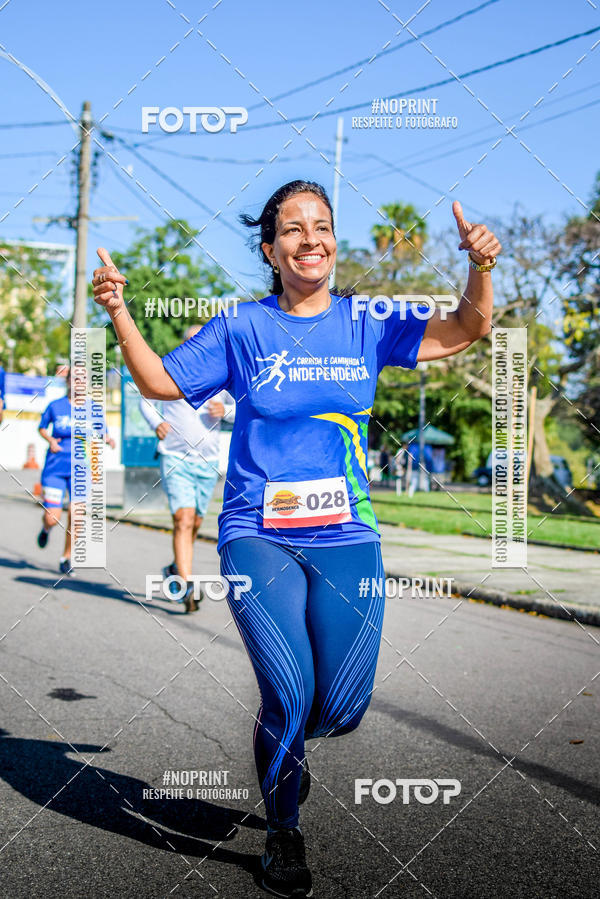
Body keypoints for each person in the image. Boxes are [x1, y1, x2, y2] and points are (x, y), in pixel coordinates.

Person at [91, 180, 500, 898]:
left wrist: (480, 267)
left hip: (348, 534)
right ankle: (284, 830)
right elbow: (159, 381)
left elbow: (466, 330)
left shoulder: (369, 321)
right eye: (292, 229)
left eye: (322, 226)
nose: (310, 239)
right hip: (257, 533)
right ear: (270, 249)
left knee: (340, 706)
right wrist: (119, 311)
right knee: (286, 688)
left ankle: (291, 748)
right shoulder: (243, 327)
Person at [139, 324, 235, 612]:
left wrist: (226, 411)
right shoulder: (171, 369)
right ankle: (187, 584)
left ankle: (175, 569)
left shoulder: (222, 373)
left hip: (207, 462)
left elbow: (242, 404)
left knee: (193, 523)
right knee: (183, 519)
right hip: (175, 457)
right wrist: (157, 422)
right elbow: (146, 398)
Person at [37, 368, 115, 575]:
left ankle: (66, 557)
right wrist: (51, 440)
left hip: (81, 470)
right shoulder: (55, 406)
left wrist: (108, 439)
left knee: (77, 514)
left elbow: (104, 432)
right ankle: (46, 529)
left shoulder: (94, 409)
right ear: (68, 381)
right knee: (52, 517)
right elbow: (42, 427)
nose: (79, 382)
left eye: (83, 378)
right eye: (75, 378)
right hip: (55, 468)